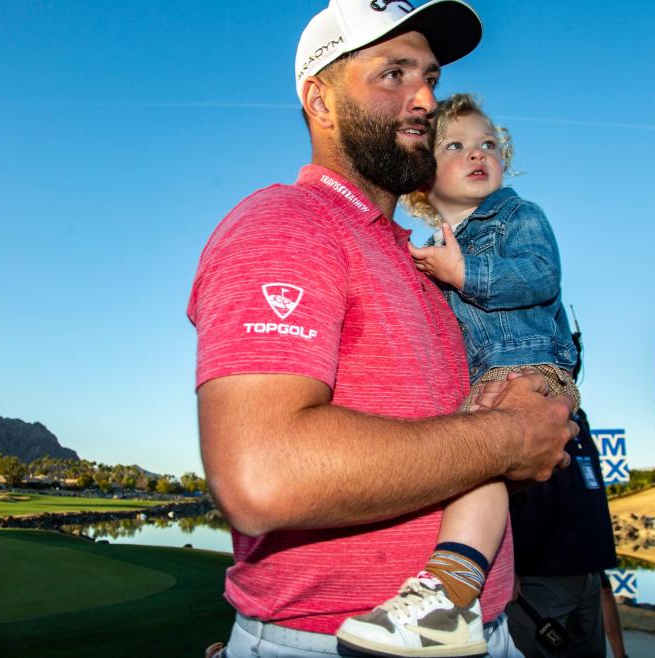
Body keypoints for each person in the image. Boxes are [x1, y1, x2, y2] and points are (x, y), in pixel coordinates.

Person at [187, 2, 579, 657]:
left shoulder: (427, 264)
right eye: (392, 74)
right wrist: (511, 437)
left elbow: (455, 448)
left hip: (482, 632)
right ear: (321, 100)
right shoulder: (285, 223)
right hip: (331, 640)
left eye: (429, 77)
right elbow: (261, 475)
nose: (424, 98)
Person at [338, 92, 579, 656]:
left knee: (480, 463)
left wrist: (464, 271)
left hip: (532, 368)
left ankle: (448, 595)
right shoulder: (433, 248)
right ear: (423, 178)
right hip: (482, 378)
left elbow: (541, 277)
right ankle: (453, 602)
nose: (478, 154)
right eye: (456, 145)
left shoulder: (517, 215)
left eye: (488, 144)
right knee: (475, 467)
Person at [504, 410, 618, 658]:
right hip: (539, 576)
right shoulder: (521, 398)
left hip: (588, 571)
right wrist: (507, 564)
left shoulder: (579, 415)